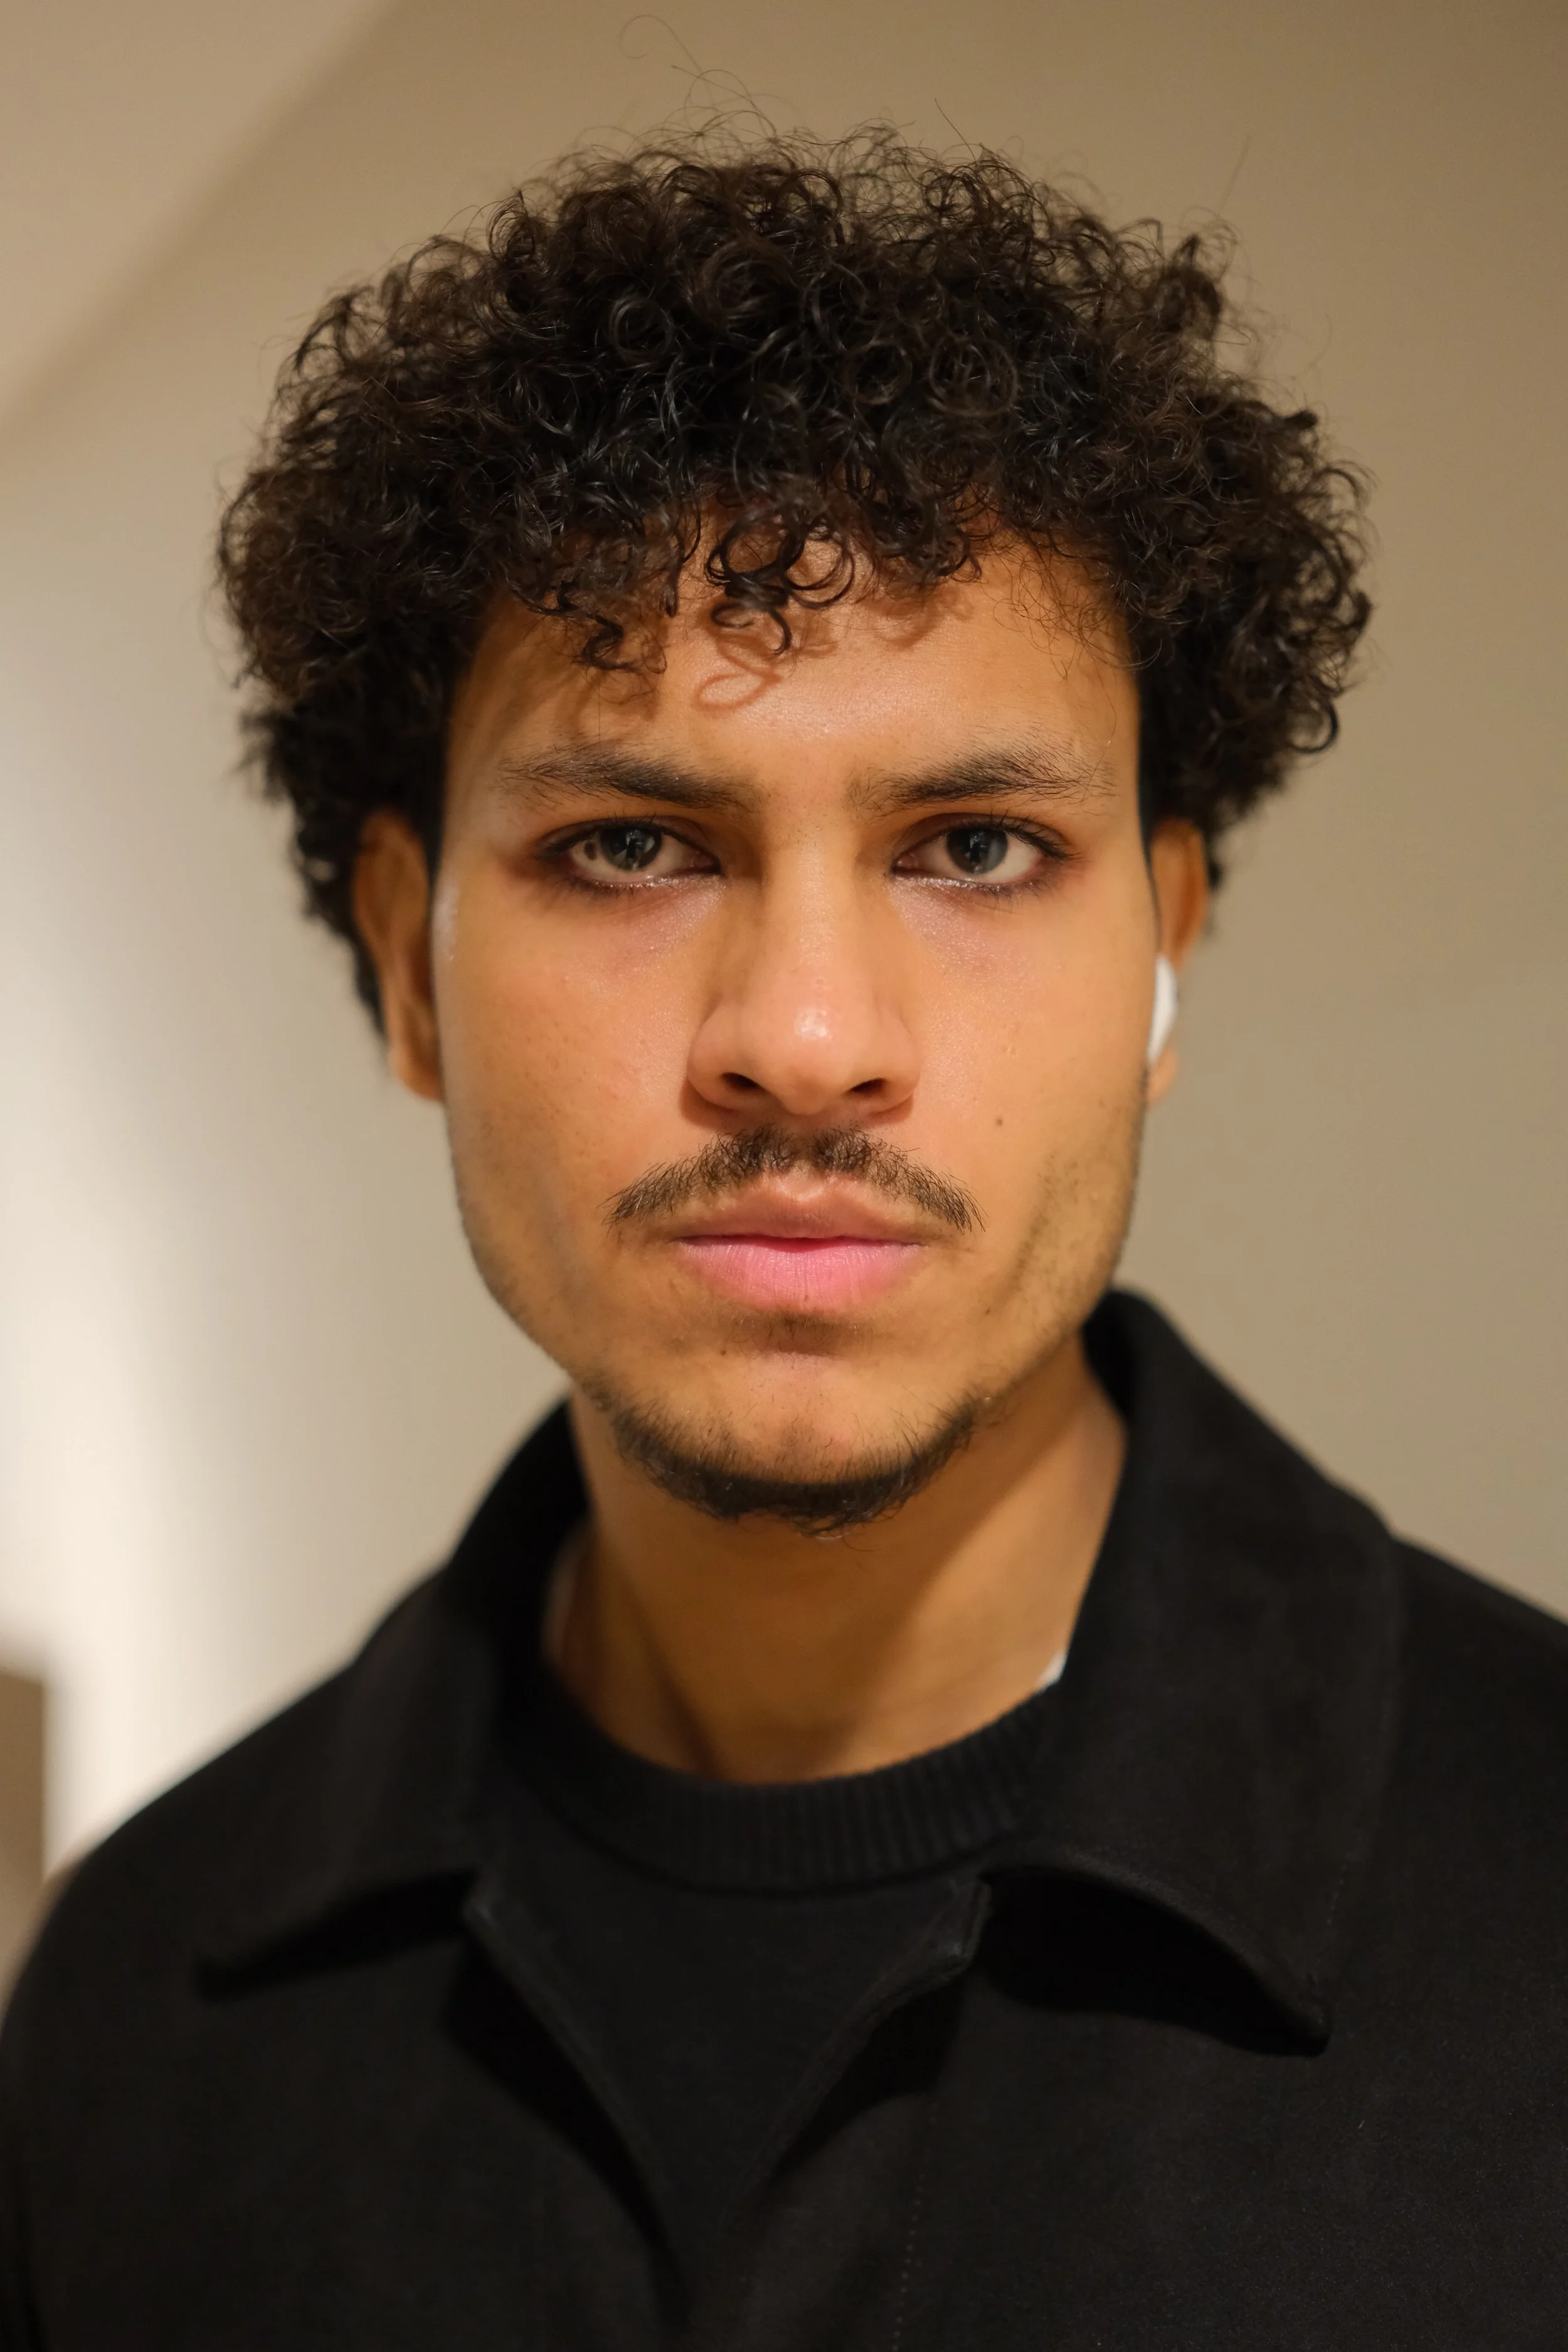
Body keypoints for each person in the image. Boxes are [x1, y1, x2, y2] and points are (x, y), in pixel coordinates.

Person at [3, 129, 1564, 2350]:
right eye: (633, 844)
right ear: (410, 967)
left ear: (1160, 960)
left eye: (975, 845)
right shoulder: (133, 2010)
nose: (807, 1041)